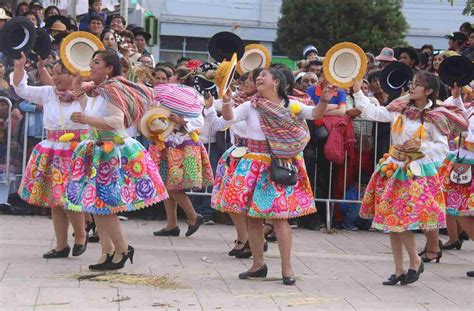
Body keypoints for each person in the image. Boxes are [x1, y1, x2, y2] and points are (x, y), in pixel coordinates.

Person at [207, 68, 330, 285]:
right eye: (258, 76)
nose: (259, 78)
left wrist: (325, 100)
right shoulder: (252, 104)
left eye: (264, 75)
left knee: (280, 219)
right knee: (253, 219)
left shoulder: (291, 105)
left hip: (279, 165)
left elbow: (314, 114)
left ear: (277, 82)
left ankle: (287, 268)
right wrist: (226, 101)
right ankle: (258, 264)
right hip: (254, 162)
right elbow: (230, 118)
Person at [354, 71, 468, 285]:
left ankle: (414, 261)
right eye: (412, 83)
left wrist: (421, 146)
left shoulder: (434, 116)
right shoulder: (400, 108)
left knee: (401, 221)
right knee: (392, 221)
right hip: (393, 168)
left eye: (418, 84)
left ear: (429, 91)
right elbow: (374, 112)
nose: (412, 87)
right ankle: (399, 269)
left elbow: (442, 148)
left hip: (415, 172)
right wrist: (358, 91)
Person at [65, 49, 168, 270]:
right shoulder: (98, 90)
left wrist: (86, 119)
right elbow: (88, 106)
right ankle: (107, 251)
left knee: (106, 205)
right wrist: (77, 87)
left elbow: (115, 121)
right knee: (97, 205)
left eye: (97, 62)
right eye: (92, 62)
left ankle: (122, 249)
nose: (92, 66)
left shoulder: (111, 89)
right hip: (97, 148)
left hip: (111, 151)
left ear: (109, 69)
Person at [12, 52, 89, 258]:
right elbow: (21, 89)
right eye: (53, 72)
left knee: (68, 197)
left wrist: (80, 94)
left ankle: (81, 235)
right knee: (55, 200)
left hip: (77, 151)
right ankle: (61, 245)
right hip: (53, 149)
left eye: (61, 73)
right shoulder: (48, 93)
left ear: (74, 74)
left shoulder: (86, 95)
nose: (55, 77)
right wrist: (19, 67)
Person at [151, 83, 213, 237]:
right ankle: (171, 224)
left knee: (174, 186)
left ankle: (193, 216)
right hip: (166, 146)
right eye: (159, 78)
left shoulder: (192, 103)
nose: (161, 80)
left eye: (164, 78)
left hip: (183, 147)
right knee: (166, 184)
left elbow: (199, 122)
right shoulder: (161, 102)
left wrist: (181, 121)